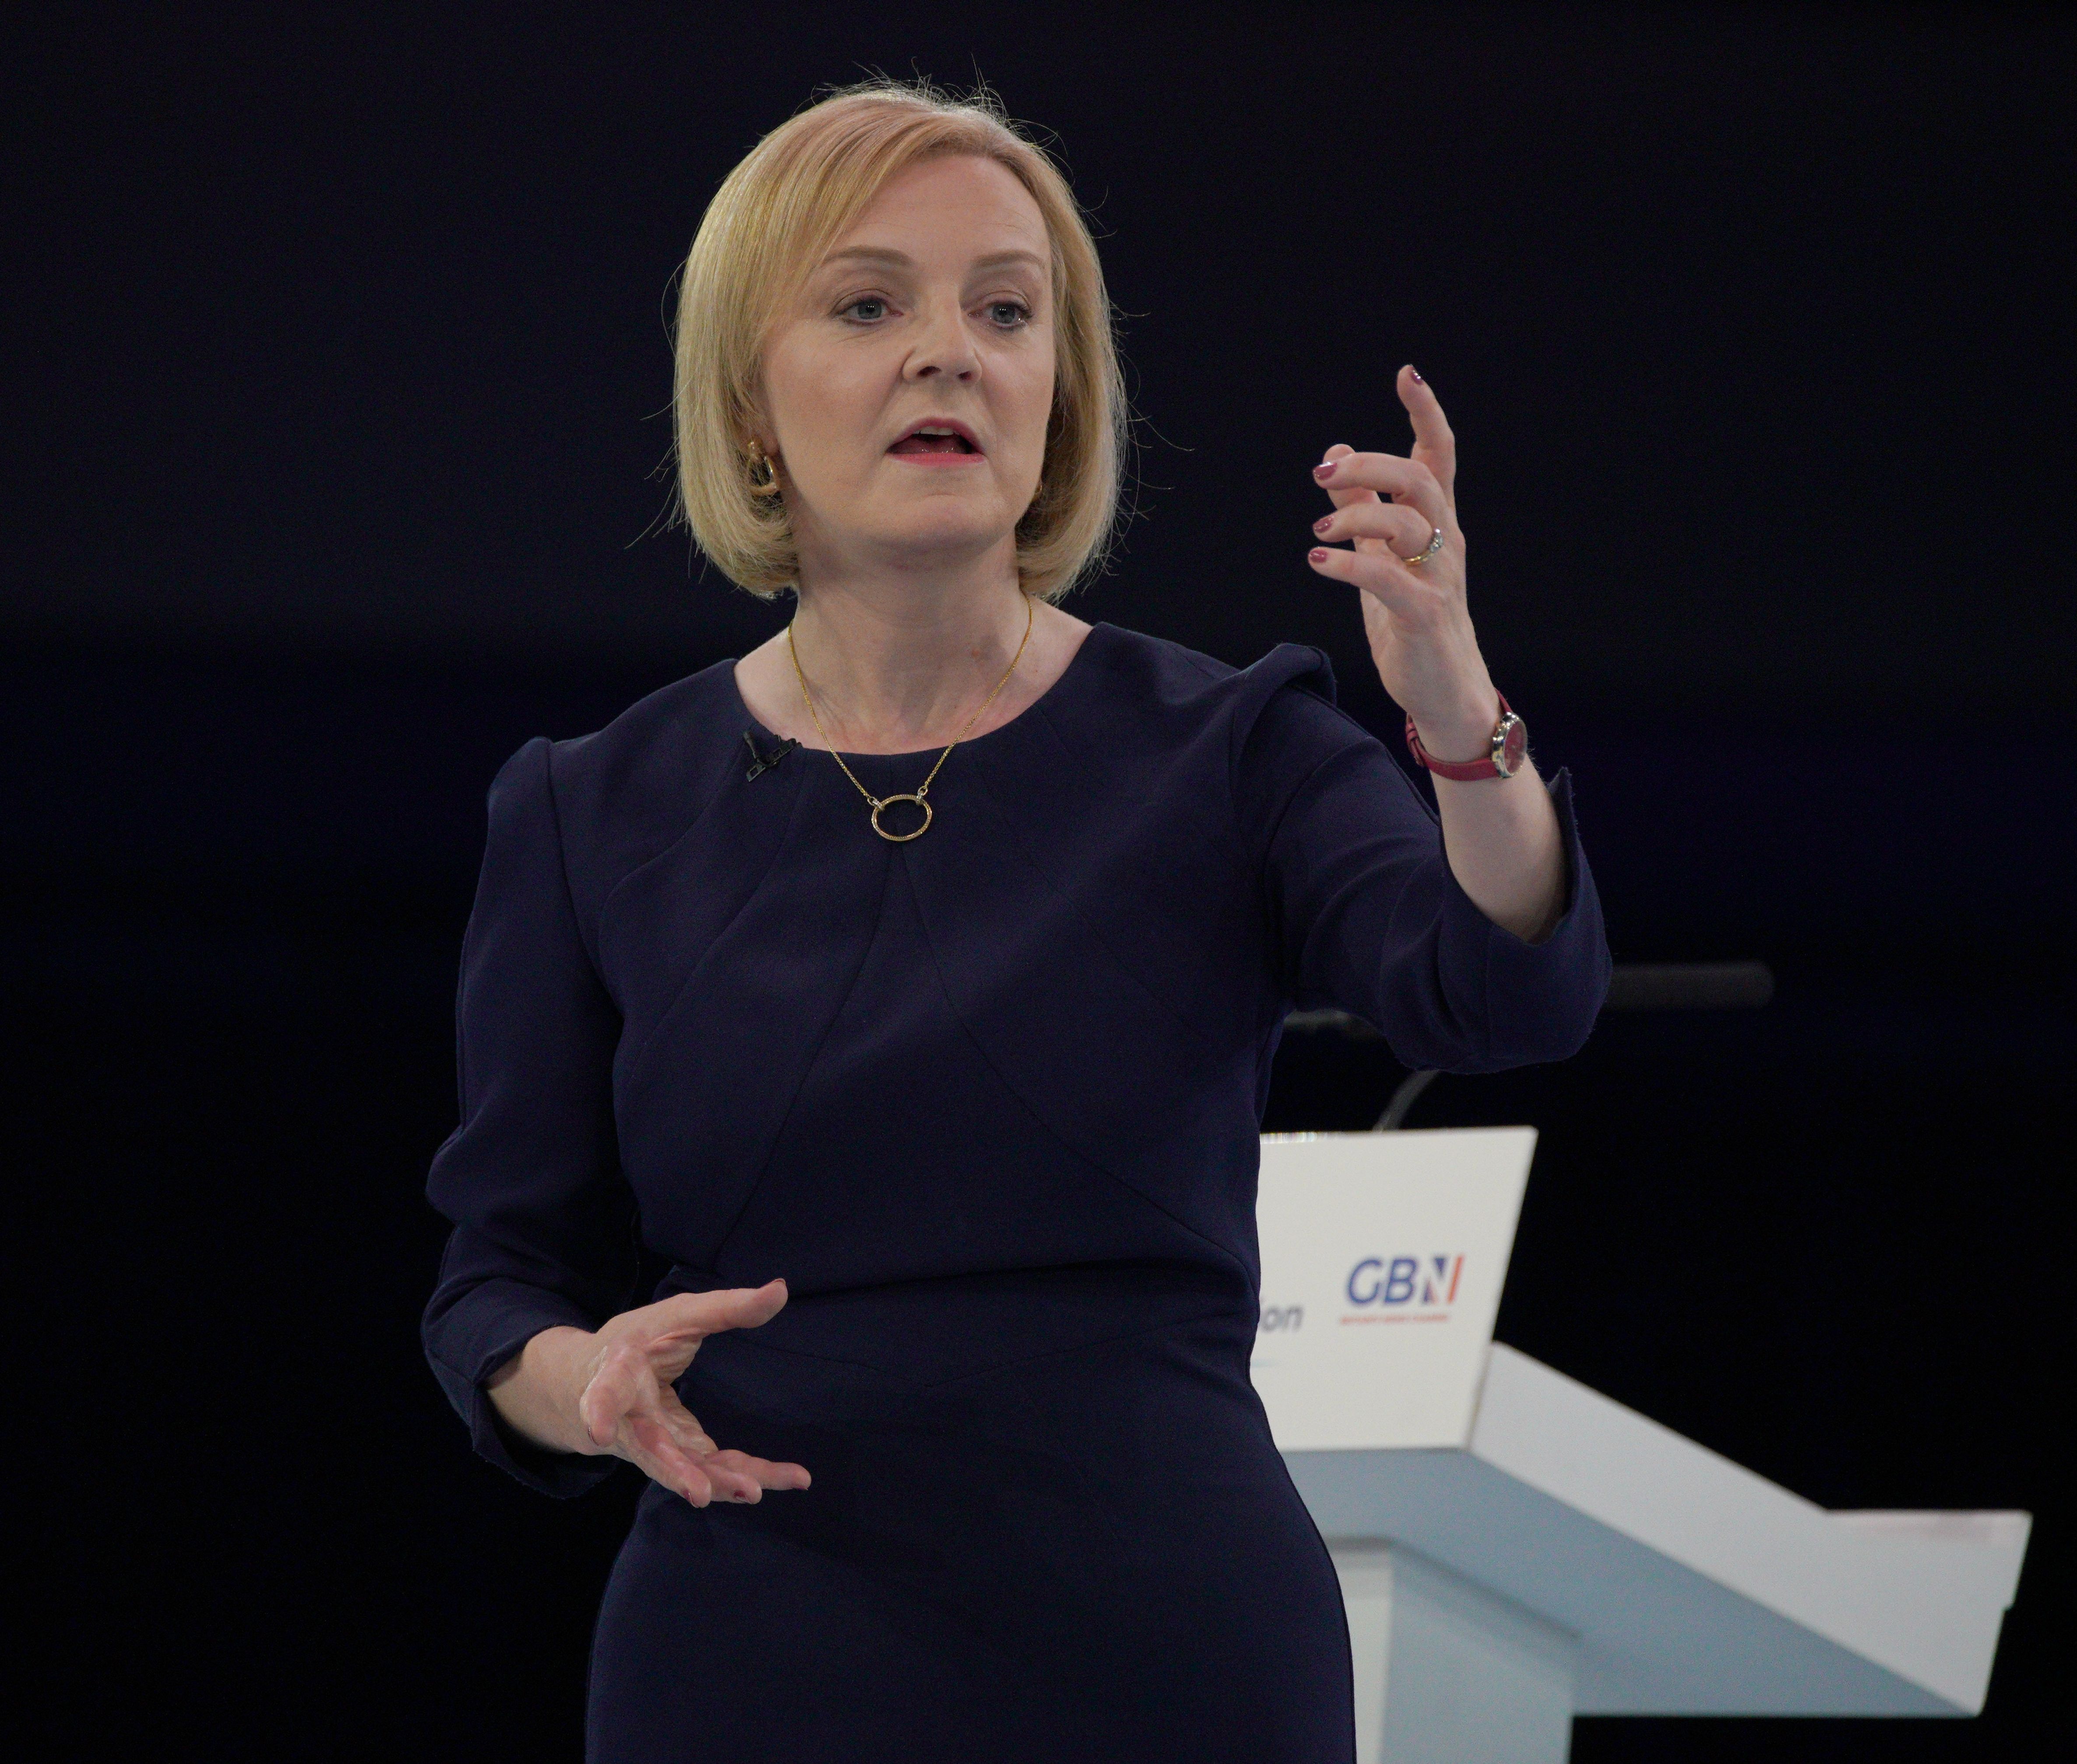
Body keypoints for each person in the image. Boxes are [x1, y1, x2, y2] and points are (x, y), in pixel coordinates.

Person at [421, 80, 1608, 1761]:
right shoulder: (590, 805)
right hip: (750, 1651)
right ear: (752, 404)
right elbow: (497, 1279)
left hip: (1169, 1653)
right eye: (867, 303)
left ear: (1060, 392)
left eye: (1005, 309)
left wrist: (1454, 701)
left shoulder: (1233, 745)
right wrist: (583, 1383)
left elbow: (1502, 997)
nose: (949, 352)